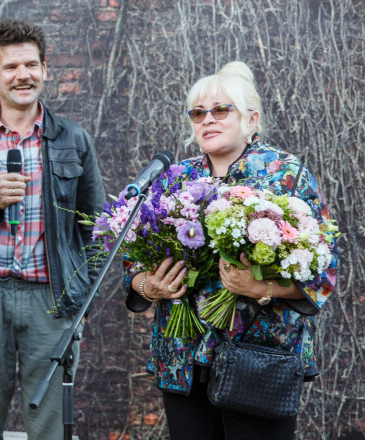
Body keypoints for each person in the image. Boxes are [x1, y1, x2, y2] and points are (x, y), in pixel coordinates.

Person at [124, 61, 338, 439]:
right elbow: (134, 262)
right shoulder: (176, 178)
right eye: (198, 112)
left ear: (251, 119)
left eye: (221, 109)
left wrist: (262, 289)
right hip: (182, 359)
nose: (208, 119)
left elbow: (323, 273)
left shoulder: (284, 175)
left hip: (259, 360)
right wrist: (147, 285)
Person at [0, 18, 105, 440]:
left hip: (52, 302)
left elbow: (96, 226)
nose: (22, 75)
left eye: (30, 64)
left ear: (45, 68)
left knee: (47, 430)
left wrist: (79, 294)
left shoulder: (74, 140)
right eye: (10, 67)